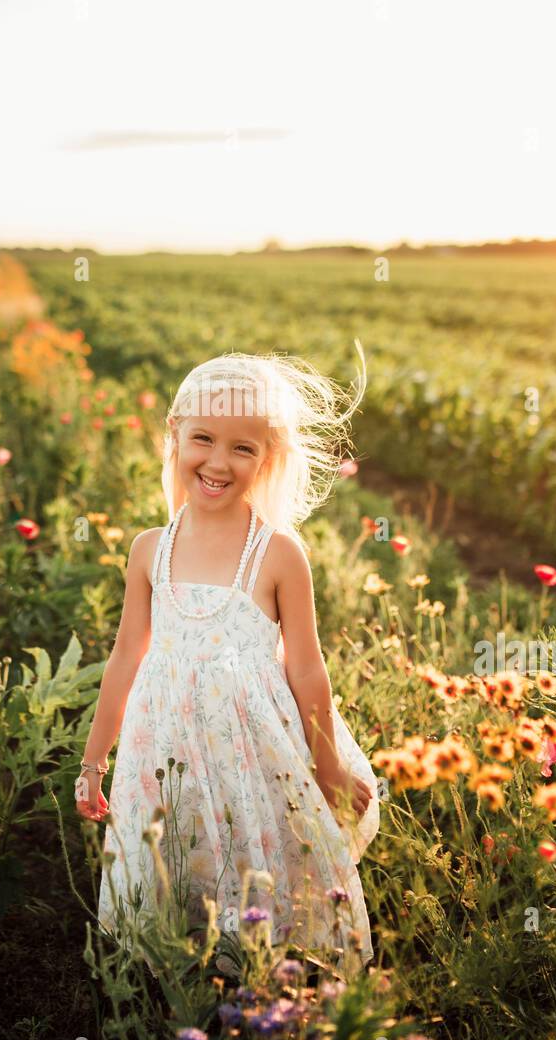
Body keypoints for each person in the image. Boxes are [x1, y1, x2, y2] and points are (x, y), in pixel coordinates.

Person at [76, 341, 380, 980]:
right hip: (163, 748)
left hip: (250, 750)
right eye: (203, 440)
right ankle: (181, 978)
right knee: (176, 855)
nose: (217, 462)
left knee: (255, 859)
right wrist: (95, 760)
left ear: (268, 459)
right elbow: (127, 654)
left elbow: (306, 670)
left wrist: (326, 768)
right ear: (174, 438)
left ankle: (266, 977)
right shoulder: (148, 550)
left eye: (243, 448)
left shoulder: (278, 555)